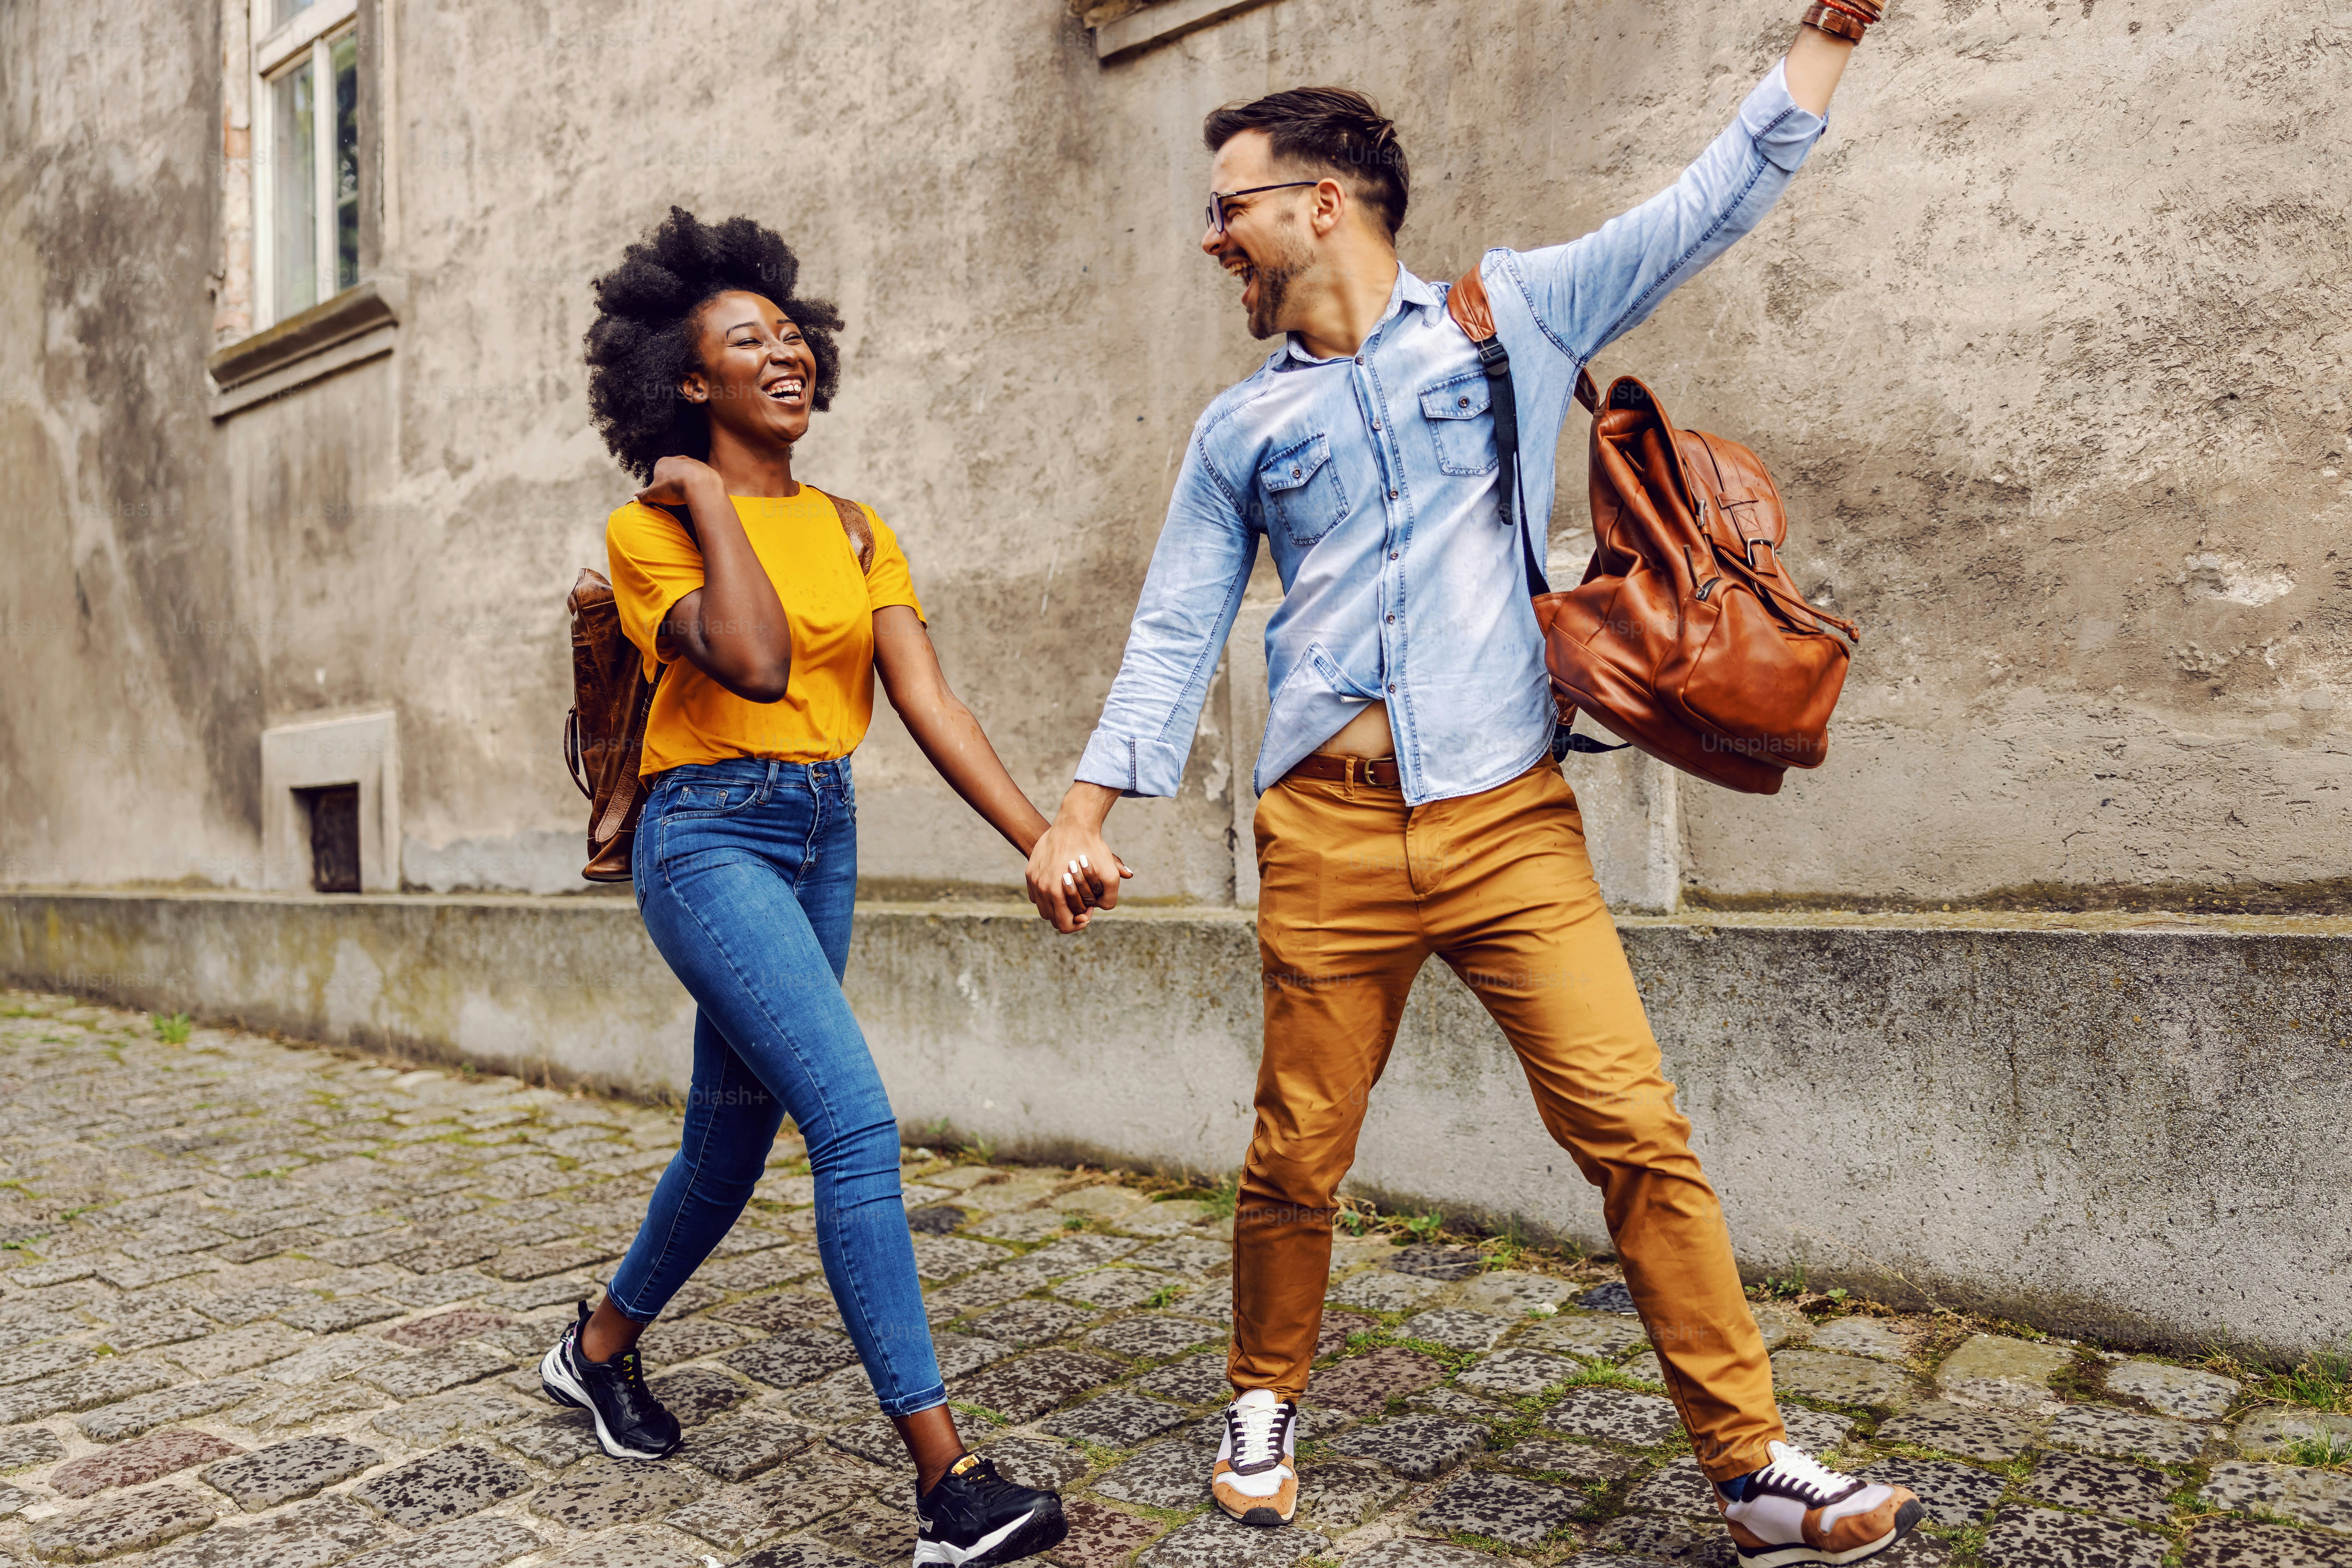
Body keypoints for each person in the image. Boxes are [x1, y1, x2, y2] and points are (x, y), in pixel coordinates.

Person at [1024, 7, 1924, 1564]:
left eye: (1227, 204)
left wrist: (1829, 37)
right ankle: (1262, 1396)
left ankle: (1753, 1465)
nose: (1210, 239)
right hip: (1328, 826)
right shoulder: (1240, 426)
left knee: (1637, 1136)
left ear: (1320, 201)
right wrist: (1083, 817)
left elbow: (1713, 197)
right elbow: (1176, 626)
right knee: (1296, 1150)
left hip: (1510, 823)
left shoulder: (1515, 314)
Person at [544, 207, 1066, 1568]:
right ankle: (948, 1487)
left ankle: (596, 1348)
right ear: (687, 383)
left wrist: (1037, 834)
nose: (784, 356)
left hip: (820, 829)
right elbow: (759, 663)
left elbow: (926, 697)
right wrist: (710, 500)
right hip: (705, 838)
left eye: (790, 336)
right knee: (850, 1115)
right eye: (745, 344)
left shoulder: (854, 524)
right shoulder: (647, 528)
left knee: (728, 1138)